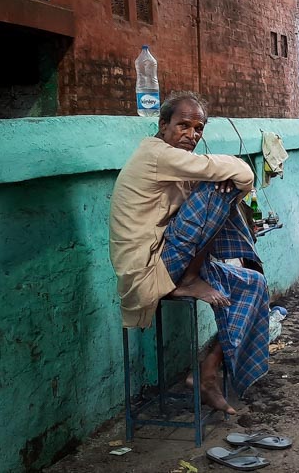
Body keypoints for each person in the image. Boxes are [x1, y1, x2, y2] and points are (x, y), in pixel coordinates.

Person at [109, 92, 269, 414]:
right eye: (183, 125)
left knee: (254, 285)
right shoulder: (157, 155)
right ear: (163, 124)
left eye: (198, 128)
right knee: (216, 187)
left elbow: (225, 177)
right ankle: (192, 277)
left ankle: (207, 374)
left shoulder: (176, 161)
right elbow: (246, 175)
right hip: (148, 271)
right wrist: (225, 180)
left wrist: (224, 181)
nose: (191, 135)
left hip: (171, 258)